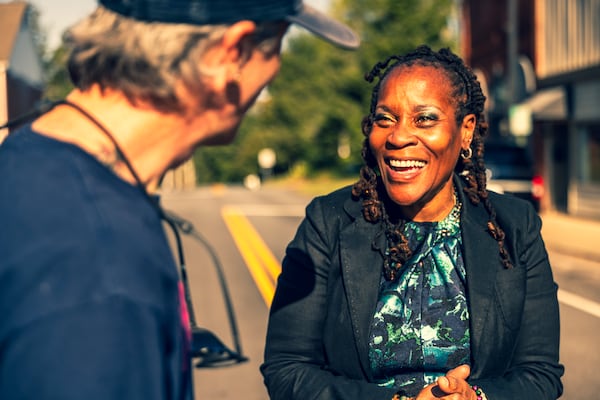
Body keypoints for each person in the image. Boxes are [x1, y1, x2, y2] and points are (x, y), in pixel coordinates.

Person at [0, 0, 359, 399]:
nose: (274, 73)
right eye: (276, 46)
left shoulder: (27, 168)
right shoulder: (101, 265)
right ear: (233, 53)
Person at [261, 45, 563, 400]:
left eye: (425, 119)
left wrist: (476, 398)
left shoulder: (514, 226)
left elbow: (541, 374)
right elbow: (287, 368)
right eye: (385, 119)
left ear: (465, 131)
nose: (398, 136)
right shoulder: (328, 223)